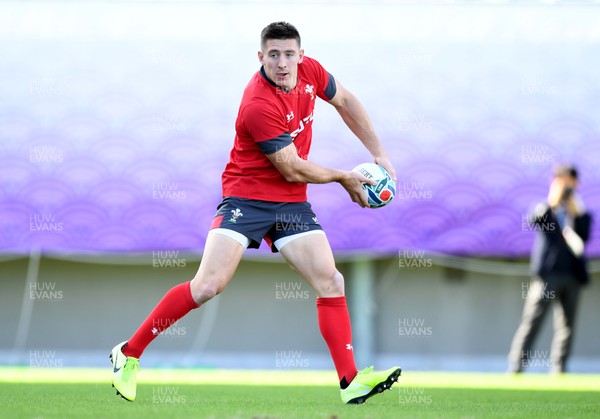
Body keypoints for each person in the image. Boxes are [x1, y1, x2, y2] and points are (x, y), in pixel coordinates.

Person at [110, 21, 400, 404]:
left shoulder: (310, 71)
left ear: (300, 53)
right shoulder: (257, 104)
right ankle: (128, 354)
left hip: (290, 202)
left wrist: (378, 154)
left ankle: (350, 382)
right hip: (246, 198)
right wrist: (343, 177)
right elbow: (292, 167)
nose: (282, 63)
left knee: (331, 280)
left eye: (289, 54)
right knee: (208, 286)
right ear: (260, 56)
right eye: (274, 55)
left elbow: (344, 100)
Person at [508, 164, 592, 373]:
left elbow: (585, 235)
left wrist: (575, 209)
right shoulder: (545, 208)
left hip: (572, 274)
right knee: (532, 320)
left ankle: (559, 367)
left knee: (566, 325)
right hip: (548, 274)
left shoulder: (579, 210)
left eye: (569, 182)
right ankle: (517, 366)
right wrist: (552, 202)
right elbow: (535, 220)